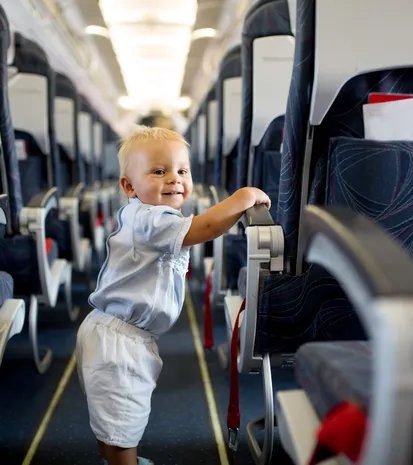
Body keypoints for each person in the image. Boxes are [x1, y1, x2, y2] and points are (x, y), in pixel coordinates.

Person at [75, 126, 271, 465]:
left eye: (182, 171)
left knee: (115, 424)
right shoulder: (150, 219)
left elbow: (204, 227)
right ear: (129, 186)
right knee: (121, 427)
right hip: (119, 342)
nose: (174, 179)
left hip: (116, 333)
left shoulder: (147, 215)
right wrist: (243, 197)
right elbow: (204, 228)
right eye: (158, 171)